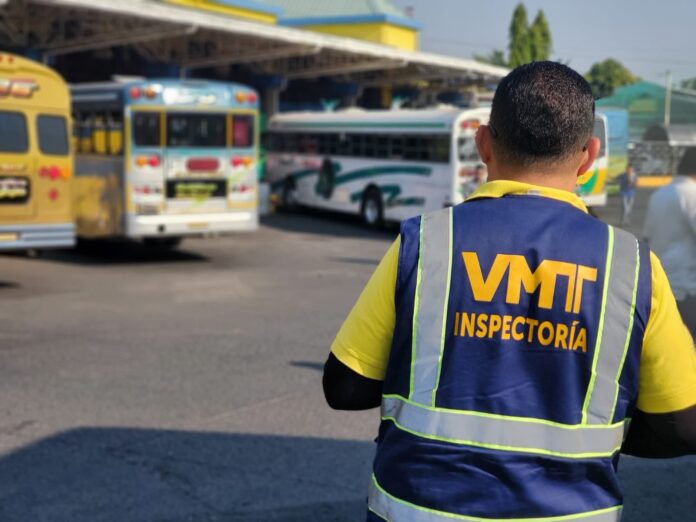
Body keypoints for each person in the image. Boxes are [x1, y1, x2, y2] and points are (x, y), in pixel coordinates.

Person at [323, 62, 696, 522]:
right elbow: (684, 426)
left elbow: (344, 386)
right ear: (589, 155)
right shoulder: (633, 265)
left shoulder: (426, 241)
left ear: (482, 143)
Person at [644, 148, 696, 336]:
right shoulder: (692, 195)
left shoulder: (659, 195)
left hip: (660, 287)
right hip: (687, 290)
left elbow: (647, 238)